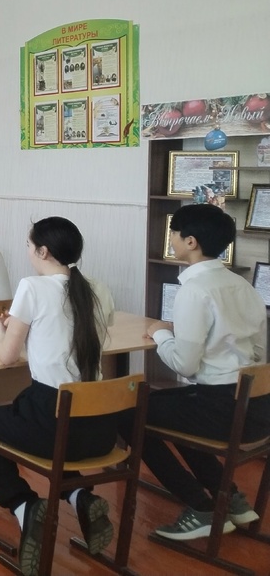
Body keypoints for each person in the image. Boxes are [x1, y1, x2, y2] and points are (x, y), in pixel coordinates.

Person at [0, 216, 116, 576]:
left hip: (53, 419)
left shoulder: (32, 286)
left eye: (30, 246)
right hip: (100, 428)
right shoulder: (97, 288)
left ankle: (23, 505)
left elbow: (5, 357)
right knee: (33, 414)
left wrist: (4, 330)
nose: (29, 253)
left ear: (43, 251)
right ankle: (80, 496)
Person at [124, 204, 269, 541]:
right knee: (169, 409)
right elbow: (258, 351)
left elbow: (185, 365)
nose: (171, 239)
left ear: (190, 241)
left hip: (220, 409)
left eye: (173, 233)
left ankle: (199, 506)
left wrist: (161, 332)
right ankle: (228, 496)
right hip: (256, 407)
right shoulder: (243, 285)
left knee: (130, 414)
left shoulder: (194, 289)